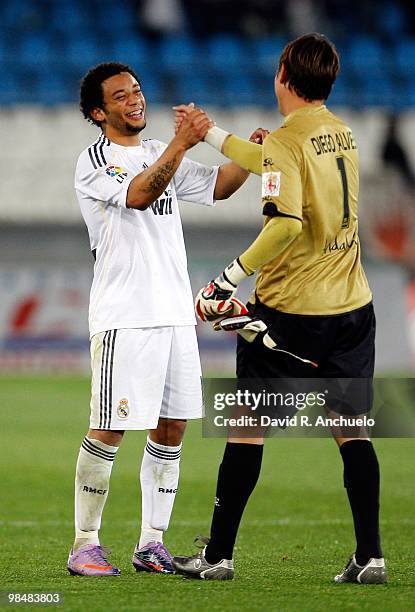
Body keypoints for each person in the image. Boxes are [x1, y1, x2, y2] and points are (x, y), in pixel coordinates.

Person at [172, 33, 387, 584]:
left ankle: (218, 556)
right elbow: (267, 156)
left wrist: (227, 278)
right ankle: (371, 556)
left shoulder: (290, 142)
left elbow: (286, 223)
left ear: (284, 76)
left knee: (247, 428)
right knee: (353, 431)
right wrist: (213, 133)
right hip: (353, 306)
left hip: (290, 312)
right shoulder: (339, 133)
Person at [67, 62, 264, 577]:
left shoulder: (159, 151)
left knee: (172, 426)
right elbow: (138, 195)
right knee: (109, 428)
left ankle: (150, 542)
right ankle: (84, 543)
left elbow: (220, 186)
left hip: (175, 316)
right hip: (125, 317)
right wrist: (182, 142)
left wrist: (249, 148)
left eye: (136, 89)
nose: (134, 99)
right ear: (98, 112)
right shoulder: (95, 161)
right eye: (120, 95)